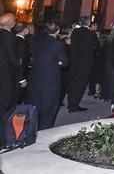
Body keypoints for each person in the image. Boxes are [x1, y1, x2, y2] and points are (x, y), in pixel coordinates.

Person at [27, 21, 68, 130]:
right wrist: (56, 62)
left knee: (34, 105)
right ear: (58, 30)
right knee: (49, 108)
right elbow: (64, 62)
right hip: (51, 78)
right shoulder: (58, 44)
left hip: (35, 77)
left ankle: (31, 130)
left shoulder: (37, 41)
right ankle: (44, 131)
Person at [0, 13, 24, 147]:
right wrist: (19, 62)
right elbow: (13, 60)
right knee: (5, 107)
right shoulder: (10, 38)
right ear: (12, 24)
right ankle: (3, 140)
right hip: (6, 78)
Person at [67, 16, 97, 112]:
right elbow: (96, 46)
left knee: (73, 83)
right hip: (85, 62)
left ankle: (70, 103)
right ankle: (74, 105)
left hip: (74, 60)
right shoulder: (90, 34)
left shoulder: (75, 32)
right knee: (80, 84)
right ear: (88, 23)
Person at [13, 22, 31, 104]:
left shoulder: (13, 39)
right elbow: (21, 61)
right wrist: (22, 79)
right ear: (25, 30)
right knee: (16, 98)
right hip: (18, 75)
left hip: (12, 73)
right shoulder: (22, 43)